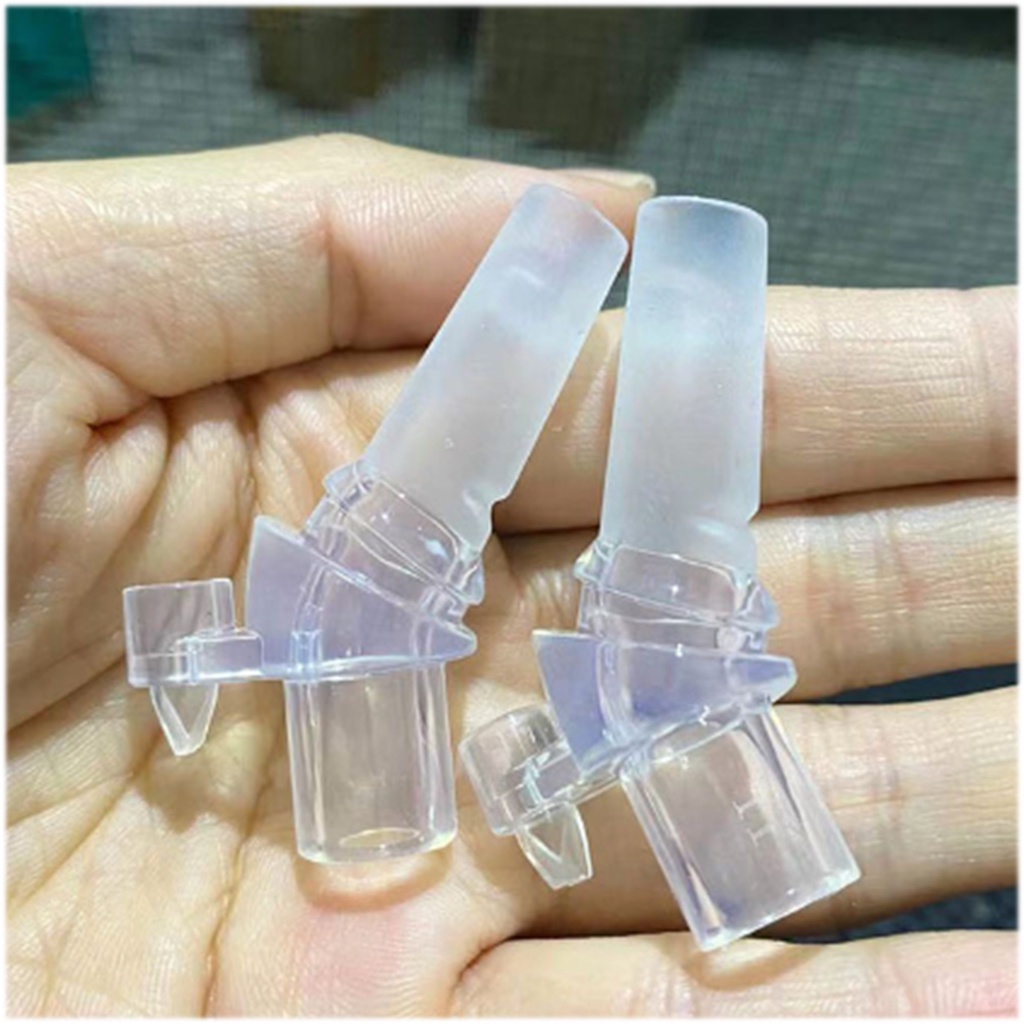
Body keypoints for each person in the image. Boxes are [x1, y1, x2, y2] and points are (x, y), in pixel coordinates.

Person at [7, 134, 1016, 1016]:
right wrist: (539, 767)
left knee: (464, 562)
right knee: (451, 569)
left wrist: (543, 764)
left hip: (478, 628)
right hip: (465, 633)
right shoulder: (367, 611)